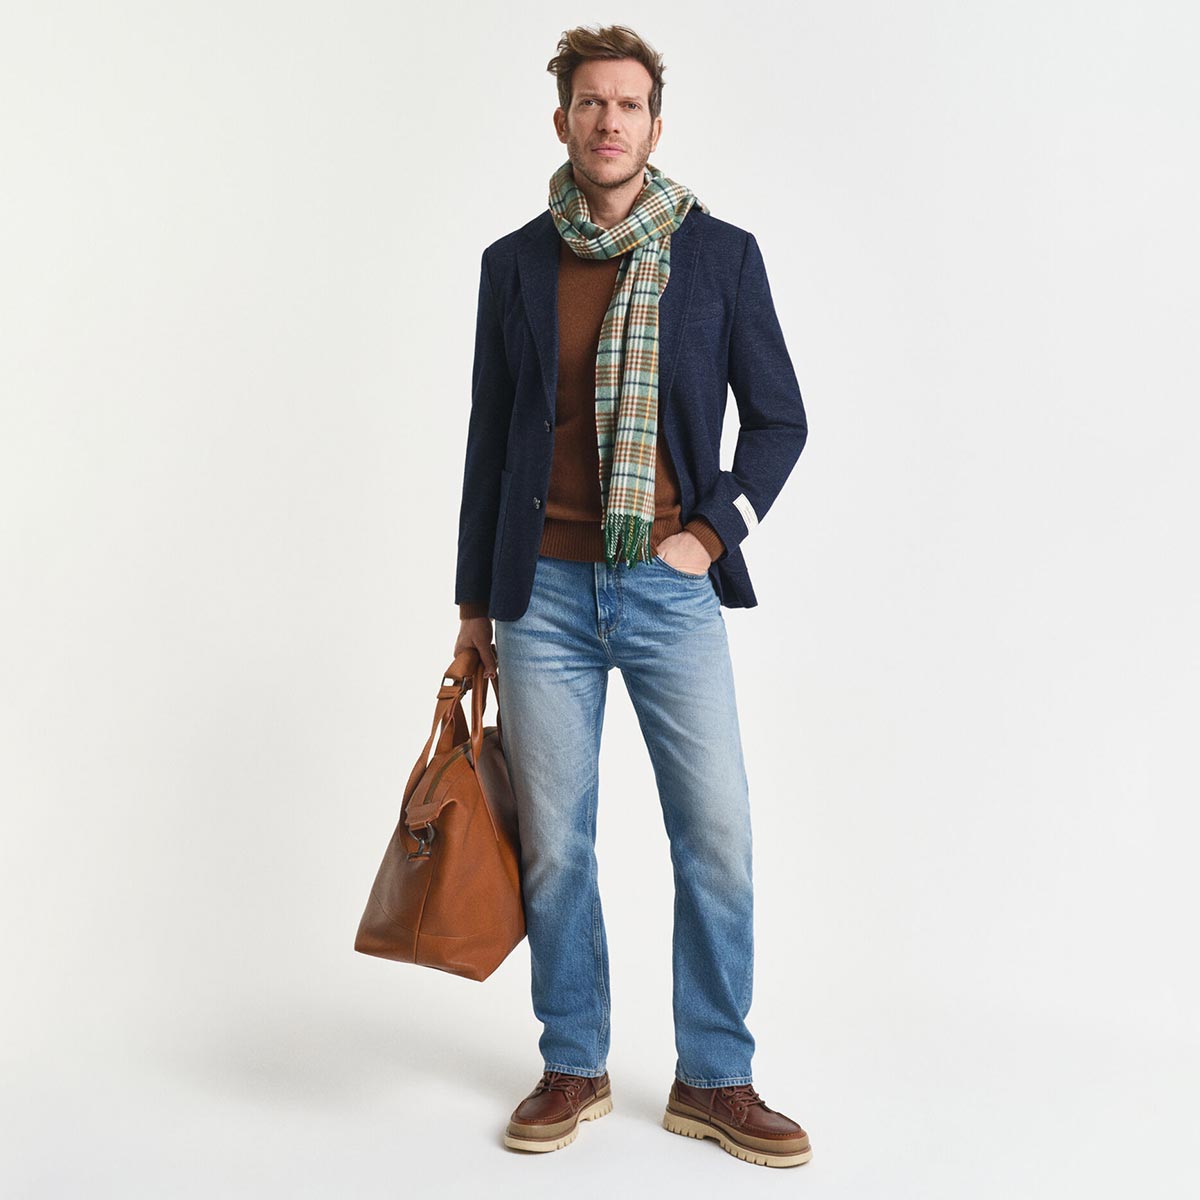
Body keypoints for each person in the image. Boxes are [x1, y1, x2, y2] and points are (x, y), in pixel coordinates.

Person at [452, 24, 811, 1168]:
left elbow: (781, 421)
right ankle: (574, 1061)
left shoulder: (720, 256)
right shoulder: (514, 264)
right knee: (557, 845)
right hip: (541, 599)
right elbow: (488, 446)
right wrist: (473, 610)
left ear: (656, 124)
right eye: (591, 103)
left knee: (717, 835)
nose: (609, 121)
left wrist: (711, 533)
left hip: (668, 589)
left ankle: (716, 1077)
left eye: (629, 104)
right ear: (562, 119)